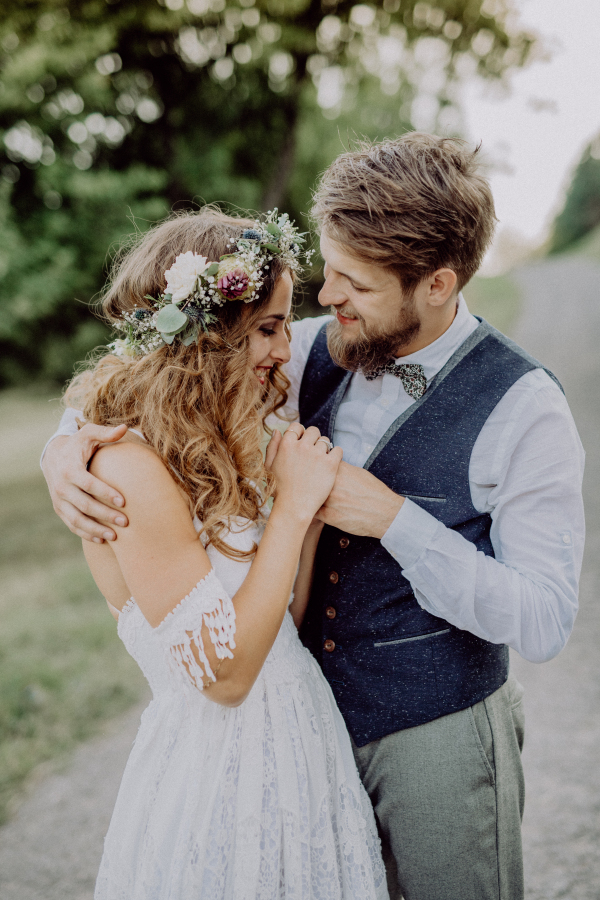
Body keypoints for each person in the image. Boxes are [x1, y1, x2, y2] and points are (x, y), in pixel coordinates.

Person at [43, 134, 585, 900]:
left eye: (353, 282)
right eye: (327, 270)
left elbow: (544, 619)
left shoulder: (526, 409)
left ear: (436, 283)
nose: (326, 298)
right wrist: (64, 453)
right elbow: (161, 366)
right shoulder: (299, 349)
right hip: (298, 738)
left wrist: (397, 520)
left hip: (436, 736)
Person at [50, 208, 388, 899]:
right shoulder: (127, 467)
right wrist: (293, 510)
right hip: (215, 780)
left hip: (303, 752)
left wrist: (311, 512)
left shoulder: (234, 435)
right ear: (207, 333)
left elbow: (279, 628)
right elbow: (227, 676)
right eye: (267, 328)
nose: (285, 350)